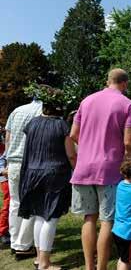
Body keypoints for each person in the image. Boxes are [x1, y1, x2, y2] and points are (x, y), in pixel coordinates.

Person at [70, 68, 131, 270]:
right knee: (107, 221)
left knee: (89, 219)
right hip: (109, 169)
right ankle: (101, 267)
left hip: (84, 168)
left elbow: (74, 134)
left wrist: (89, 146)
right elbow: (128, 142)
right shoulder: (128, 104)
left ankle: (88, 267)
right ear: (125, 84)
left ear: (107, 80)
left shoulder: (87, 100)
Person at [18, 86, 77, 270]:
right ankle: (44, 263)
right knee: (50, 218)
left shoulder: (32, 123)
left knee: (37, 216)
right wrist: (78, 170)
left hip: (32, 173)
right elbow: (71, 154)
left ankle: (39, 259)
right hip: (54, 175)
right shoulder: (62, 125)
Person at [5, 93, 43, 258]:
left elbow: (8, 138)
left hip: (13, 161)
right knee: (32, 204)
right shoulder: (43, 111)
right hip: (31, 162)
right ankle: (24, 244)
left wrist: (7, 160)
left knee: (15, 203)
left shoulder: (17, 111)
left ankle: (15, 242)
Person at [0, 153, 9, 247]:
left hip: (7, 174)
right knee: (8, 203)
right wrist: (2, 170)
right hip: (5, 176)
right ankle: (2, 232)